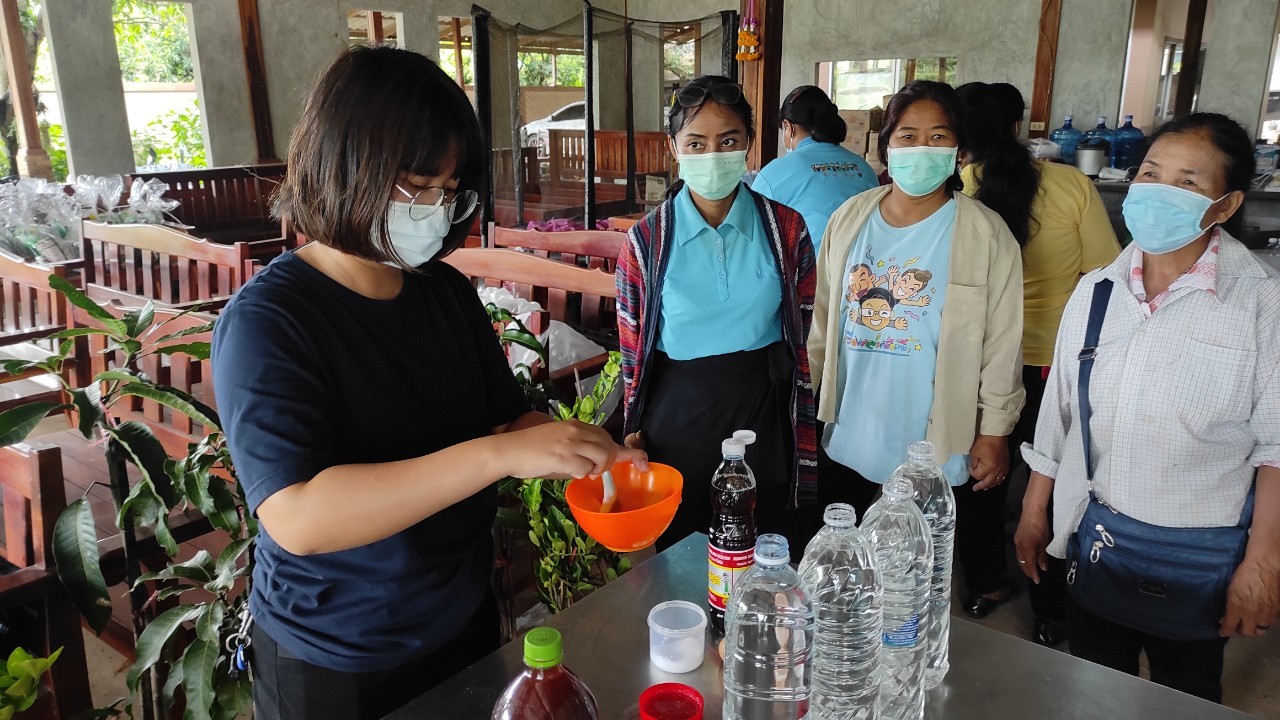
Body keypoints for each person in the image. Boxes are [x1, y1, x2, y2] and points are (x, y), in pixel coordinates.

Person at [211, 47, 641, 720]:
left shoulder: (441, 292)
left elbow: (504, 424)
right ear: (346, 166)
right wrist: (498, 457)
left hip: (459, 620)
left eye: (449, 191)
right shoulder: (270, 322)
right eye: (418, 187)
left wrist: (586, 452)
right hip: (337, 654)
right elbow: (299, 515)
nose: (437, 211)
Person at [1015, 112, 1280, 702]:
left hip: (1202, 554)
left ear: (1227, 203)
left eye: (1188, 182)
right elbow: (1060, 413)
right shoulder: (1097, 290)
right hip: (1101, 534)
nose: (1161, 191)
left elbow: (1276, 445)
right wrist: (1036, 510)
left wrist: (1263, 562)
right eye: (1151, 173)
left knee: (1184, 693)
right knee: (1090, 686)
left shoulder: (1261, 301)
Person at [809, 80, 1025, 607]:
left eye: (938, 136)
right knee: (850, 576)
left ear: (960, 150)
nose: (921, 149)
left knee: (914, 584)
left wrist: (995, 430)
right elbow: (822, 319)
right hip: (854, 425)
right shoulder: (851, 217)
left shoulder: (985, 233)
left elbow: (1003, 342)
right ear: (886, 146)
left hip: (931, 436)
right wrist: (811, 396)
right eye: (908, 136)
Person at [617, 75, 819, 558]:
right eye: (696, 143)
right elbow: (631, 346)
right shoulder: (646, 242)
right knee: (684, 556)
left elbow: (805, 325)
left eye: (728, 141)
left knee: (763, 547)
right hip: (678, 418)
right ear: (674, 149)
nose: (713, 155)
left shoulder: (787, 229)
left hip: (762, 412)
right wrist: (631, 427)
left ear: (749, 144)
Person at [957, 81, 1120, 644]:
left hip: (977, 363)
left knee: (977, 478)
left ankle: (983, 583)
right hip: (1057, 364)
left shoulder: (955, 188)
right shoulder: (1071, 184)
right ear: (1019, 124)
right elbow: (1106, 275)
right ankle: (1051, 610)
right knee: (1050, 481)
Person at [753, 85, 879, 251]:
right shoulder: (864, 168)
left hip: (810, 272)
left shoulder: (773, 174)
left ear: (788, 127)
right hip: (862, 269)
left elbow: (754, 234)